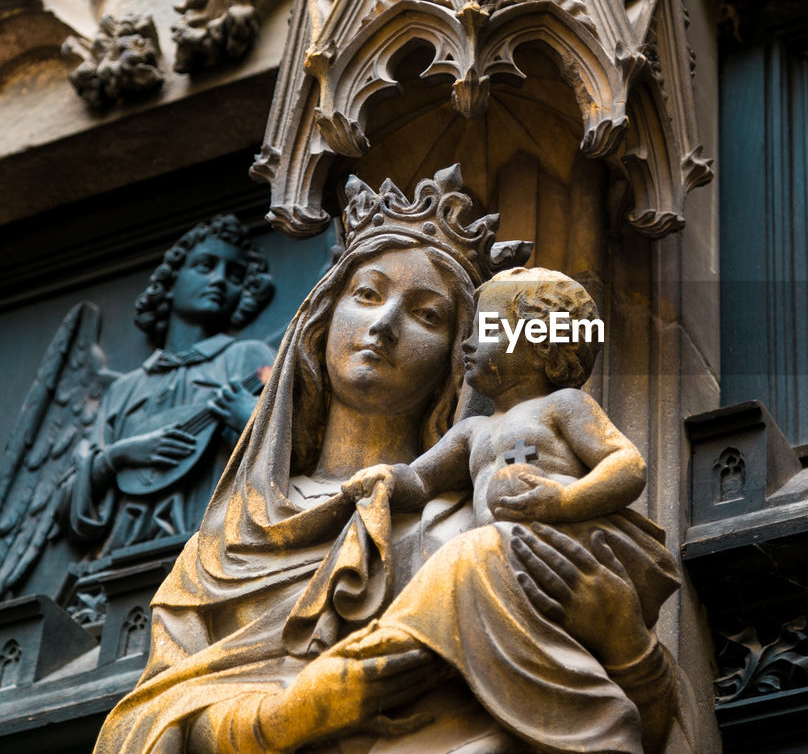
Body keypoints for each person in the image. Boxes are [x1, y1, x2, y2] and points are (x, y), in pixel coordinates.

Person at [93, 169, 696, 754]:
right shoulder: (223, 545)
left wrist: (625, 646)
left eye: (427, 314)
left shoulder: (495, 517)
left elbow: (645, 726)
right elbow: (145, 726)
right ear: (320, 319)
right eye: (367, 294)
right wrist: (298, 710)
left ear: (460, 358)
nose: (383, 325)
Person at [334, 266, 678, 754]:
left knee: (483, 564)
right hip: (503, 562)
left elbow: (626, 464)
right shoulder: (473, 431)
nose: (468, 345)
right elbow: (422, 478)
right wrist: (388, 478)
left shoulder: (564, 405)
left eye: (488, 330)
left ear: (543, 345)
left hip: (561, 542)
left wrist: (564, 500)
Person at [69, 214, 275, 554]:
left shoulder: (247, 358)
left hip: (218, 552)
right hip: (122, 559)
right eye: (205, 266)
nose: (220, 280)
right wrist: (118, 456)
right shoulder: (123, 391)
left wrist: (248, 421)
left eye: (235, 275)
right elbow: (69, 502)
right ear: (171, 279)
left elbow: (297, 456)